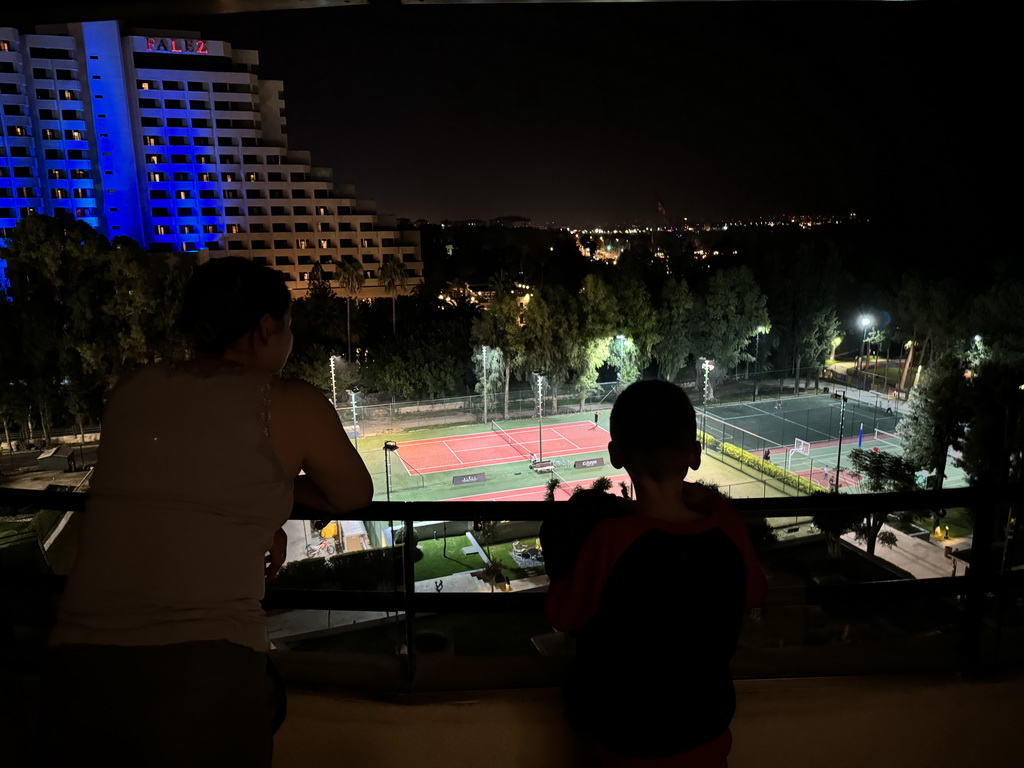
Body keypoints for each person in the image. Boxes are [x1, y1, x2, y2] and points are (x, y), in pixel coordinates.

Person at [42, 257, 373, 767]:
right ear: (266, 328)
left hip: (76, 666)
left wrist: (266, 500)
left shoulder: (132, 390)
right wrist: (276, 494)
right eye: (288, 326)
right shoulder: (286, 401)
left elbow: (174, 484)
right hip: (204, 672)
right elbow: (353, 494)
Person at [543, 380, 767, 767]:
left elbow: (561, 614)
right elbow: (756, 593)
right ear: (694, 455)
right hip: (708, 737)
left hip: (629, 744)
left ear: (616, 455)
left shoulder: (611, 540)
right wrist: (720, 508)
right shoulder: (726, 528)